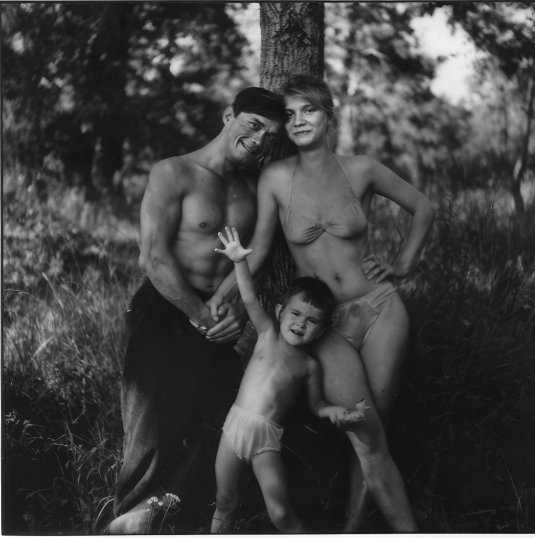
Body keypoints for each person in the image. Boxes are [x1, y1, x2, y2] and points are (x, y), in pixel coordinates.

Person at [209, 74, 435, 531]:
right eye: (290, 114)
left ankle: (359, 528)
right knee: (364, 432)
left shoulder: (363, 169)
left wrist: (402, 265)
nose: (298, 121)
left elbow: (424, 208)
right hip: (325, 324)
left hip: (380, 309)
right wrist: (222, 294)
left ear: (328, 114)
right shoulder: (276, 178)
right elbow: (260, 249)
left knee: (375, 432)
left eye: (308, 110)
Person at [107, 87, 287, 534]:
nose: (260, 140)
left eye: (270, 136)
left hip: (220, 319)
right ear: (228, 115)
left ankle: (170, 519)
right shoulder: (175, 172)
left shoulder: (255, 186)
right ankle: (125, 523)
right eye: (253, 125)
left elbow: (257, 254)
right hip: (165, 311)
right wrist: (201, 315)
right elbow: (154, 257)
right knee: (152, 432)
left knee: (214, 426)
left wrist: (234, 308)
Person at [210, 227, 367, 533]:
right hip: (233, 429)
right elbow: (249, 298)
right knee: (225, 501)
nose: (300, 323)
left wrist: (337, 411)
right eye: (295, 314)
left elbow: (318, 404)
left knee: (281, 514)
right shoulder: (267, 335)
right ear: (280, 312)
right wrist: (239, 261)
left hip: (265, 441)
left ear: (321, 330)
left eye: (312, 320)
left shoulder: (309, 365)